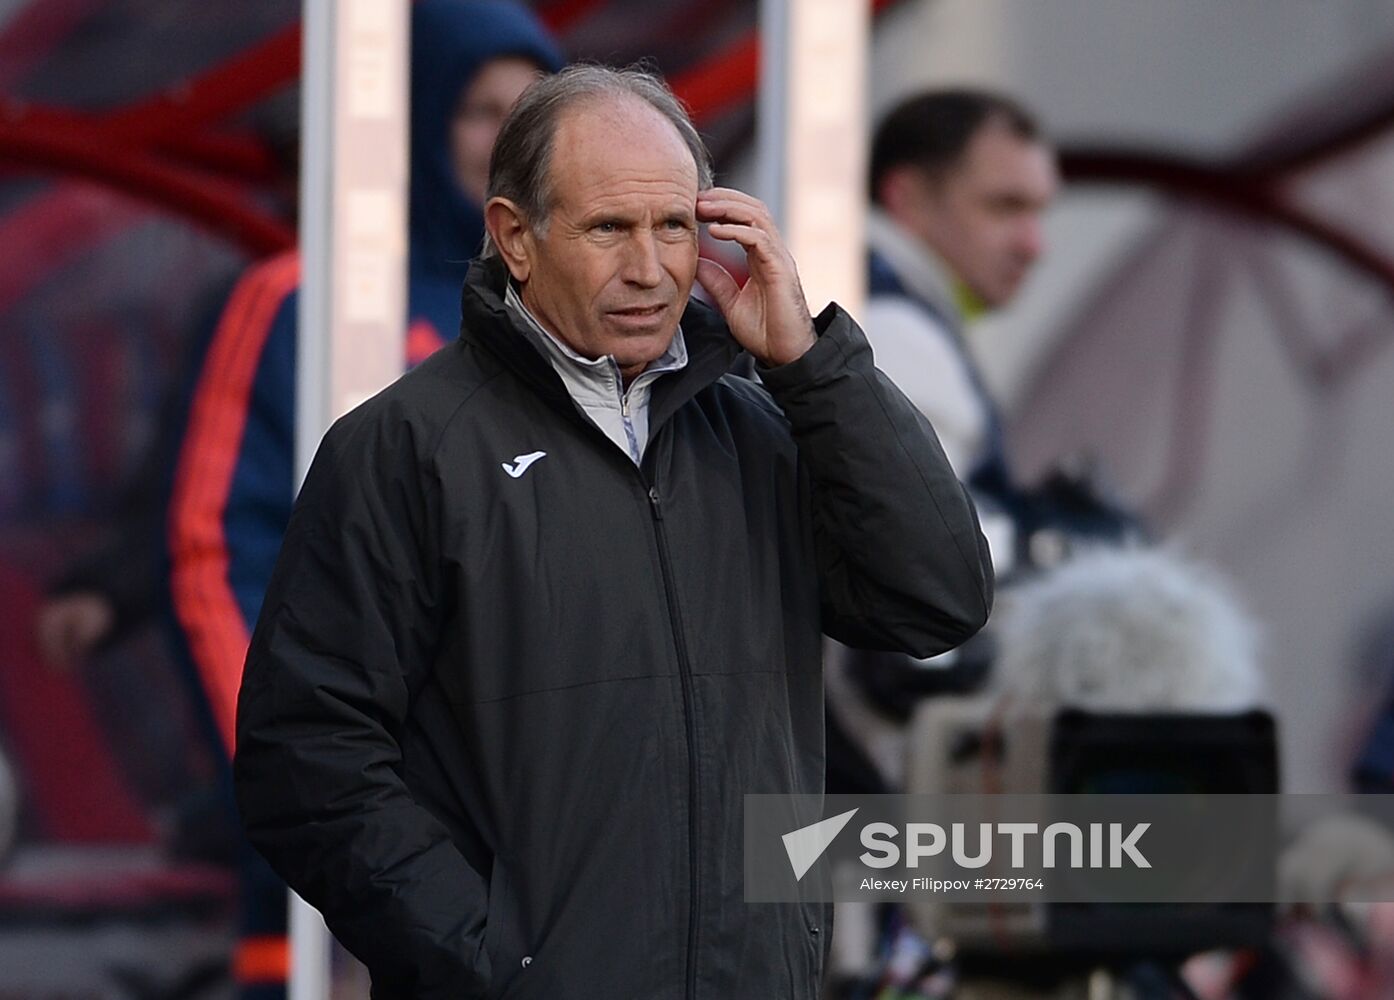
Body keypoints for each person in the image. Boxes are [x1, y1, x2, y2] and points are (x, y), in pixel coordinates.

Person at [233, 65, 993, 999]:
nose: (650, 267)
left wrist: (813, 365)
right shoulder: (404, 447)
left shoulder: (762, 426)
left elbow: (939, 600)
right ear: (515, 236)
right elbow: (307, 759)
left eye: (674, 226)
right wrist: (491, 964)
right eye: (609, 229)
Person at [167, 3, 563, 996]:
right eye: (481, 112)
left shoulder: (591, 319)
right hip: (344, 863)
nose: (510, 144)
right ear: (416, 117)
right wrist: (300, 786)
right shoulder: (308, 298)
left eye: (536, 116)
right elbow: (217, 553)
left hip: (558, 848)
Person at [864, 88, 1058, 497]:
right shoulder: (889, 328)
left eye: (1038, 212)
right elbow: (924, 540)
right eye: (1005, 207)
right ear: (908, 197)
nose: (1034, 246)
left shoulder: (874, 298)